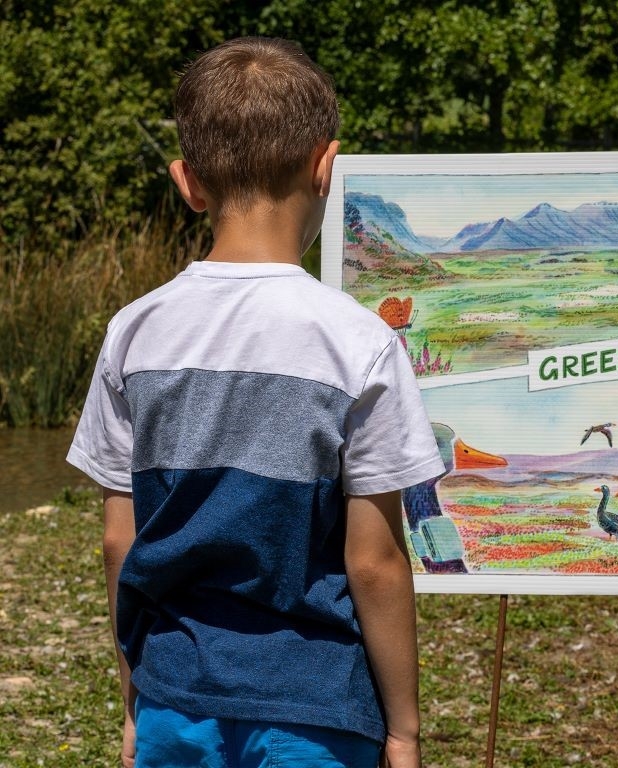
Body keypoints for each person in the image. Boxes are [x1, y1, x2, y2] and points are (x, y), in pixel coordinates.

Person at [67, 37, 443, 768]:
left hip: (176, 694)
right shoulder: (358, 343)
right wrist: (404, 729)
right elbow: (374, 564)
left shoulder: (134, 333)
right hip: (317, 709)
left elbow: (121, 542)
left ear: (188, 182)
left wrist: (134, 700)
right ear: (325, 167)